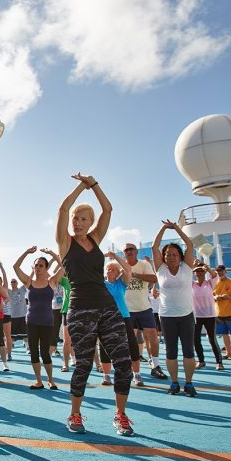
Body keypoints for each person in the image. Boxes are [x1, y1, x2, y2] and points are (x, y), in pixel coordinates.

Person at [56, 174, 134, 436]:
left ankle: (121, 415)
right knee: (84, 365)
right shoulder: (65, 243)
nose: (77, 222)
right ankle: (75, 415)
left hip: (107, 306)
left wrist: (95, 185)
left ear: (90, 223)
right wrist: (81, 186)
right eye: (75, 219)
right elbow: (63, 208)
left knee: (123, 362)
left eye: (83, 219)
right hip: (80, 310)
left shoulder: (96, 240)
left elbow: (108, 209)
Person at [152, 220, 197, 396]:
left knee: (188, 351)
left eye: (174, 254)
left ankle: (189, 383)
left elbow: (190, 244)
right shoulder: (160, 269)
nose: (171, 257)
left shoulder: (187, 268)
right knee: (171, 352)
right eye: (168, 254)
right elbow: (155, 247)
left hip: (186, 315)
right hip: (167, 316)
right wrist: (163, 227)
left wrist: (176, 228)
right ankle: (174, 383)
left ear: (180, 256)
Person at [14, 246, 63, 390]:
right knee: (34, 352)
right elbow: (15, 266)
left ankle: (51, 380)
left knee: (45, 353)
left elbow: (64, 265)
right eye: (36, 265)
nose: (38, 267)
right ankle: (39, 381)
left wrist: (51, 254)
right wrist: (26, 252)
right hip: (32, 322)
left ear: (46, 268)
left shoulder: (52, 281)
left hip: (47, 322)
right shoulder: (29, 282)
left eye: (41, 265)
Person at [122, 243, 166, 382]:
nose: (129, 251)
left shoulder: (144, 264)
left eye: (131, 249)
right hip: (127, 309)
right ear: (124, 253)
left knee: (152, 335)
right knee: (131, 340)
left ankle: (156, 365)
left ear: (136, 251)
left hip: (144, 307)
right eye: (126, 250)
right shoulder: (120, 265)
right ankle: (131, 369)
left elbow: (154, 279)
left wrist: (134, 274)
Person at [100, 253, 141, 388]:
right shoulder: (100, 284)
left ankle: (136, 374)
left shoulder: (121, 284)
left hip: (123, 317)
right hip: (106, 319)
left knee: (132, 345)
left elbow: (128, 269)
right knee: (105, 347)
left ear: (118, 273)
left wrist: (114, 256)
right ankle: (106, 376)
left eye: (113, 269)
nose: (110, 270)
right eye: (108, 269)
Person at [191, 261, 224, 370]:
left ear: (204, 272)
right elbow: (183, 277)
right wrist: (192, 266)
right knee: (196, 340)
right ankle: (201, 361)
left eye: (201, 271)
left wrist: (208, 269)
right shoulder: (192, 284)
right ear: (194, 273)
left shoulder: (210, 283)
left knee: (212, 339)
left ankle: (219, 362)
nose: (199, 273)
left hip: (210, 315)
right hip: (196, 316)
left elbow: (214, 275)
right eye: (197, 271)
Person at [0, 263, 14, 361]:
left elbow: (4, 276)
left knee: (7, 335)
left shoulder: (4, 288)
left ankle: (9, 354)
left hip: (5, 315)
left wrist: (1, 266)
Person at [8, 278, 28, 349]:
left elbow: (27, 280)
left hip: (22, 315)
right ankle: (10, 348)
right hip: (13, 316)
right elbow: (1, 285)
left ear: (17, 283)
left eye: (14, 281)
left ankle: (28, 347)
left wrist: (33, 271)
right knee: (12, 335)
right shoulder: (9, 291)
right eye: (11, 282)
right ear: (10, 284)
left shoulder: (22, 289)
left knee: (25, 333)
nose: (13, 283)